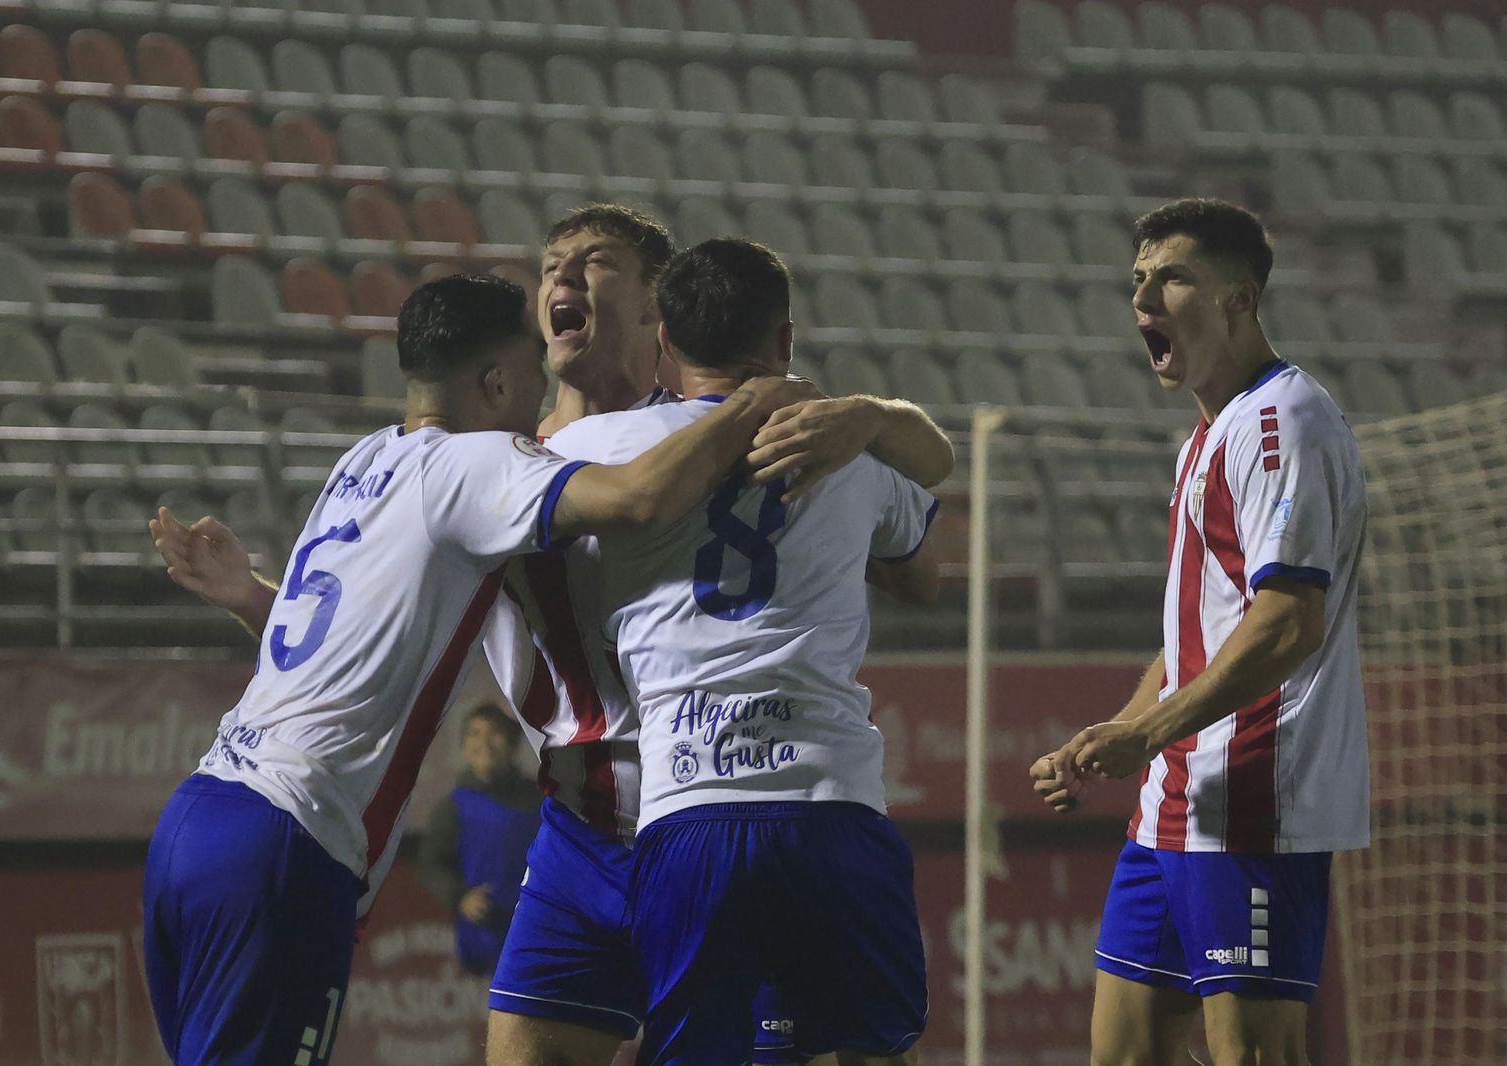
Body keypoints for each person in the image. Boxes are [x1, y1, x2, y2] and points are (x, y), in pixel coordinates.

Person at [151, 203, 953, 1066]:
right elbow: (370, 630)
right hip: (587, 824)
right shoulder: (500, 463)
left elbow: (897, 550)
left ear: (660, 311)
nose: (562, 278)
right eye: (552, 265)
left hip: (702, 808)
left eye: (594, 262)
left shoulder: (736, 434)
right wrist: (256, 598)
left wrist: (863, 419)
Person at [542, 238, 939, 1066]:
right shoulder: (845, 451)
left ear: (665, 344)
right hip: (832, 804)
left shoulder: (610, 451)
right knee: (875, 1050)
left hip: (689, 808)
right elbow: (925, 576)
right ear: (785, 343)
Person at [1027, 199, 1369, 1066]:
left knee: (1252, 1055)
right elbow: (1196, 639)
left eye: (1173, 277)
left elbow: (1288, 624)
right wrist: (1124, 733)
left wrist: (1150, 731)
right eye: (1138, 279)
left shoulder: (1281, 420)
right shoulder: (1207, 437)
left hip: (1255, 802)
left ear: (1240, 300)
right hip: (1173, 809)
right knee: (1123, 1053)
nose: (1145, 296)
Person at [417, 703, 543, 977]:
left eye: (495, 733)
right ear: (463, 746)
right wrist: (460, 897)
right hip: (482, 934)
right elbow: (431, 863)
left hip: (535, 929)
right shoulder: (453, 807)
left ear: (512, 745)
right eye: (475, 734)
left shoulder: (540, 802)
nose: (484, 742)